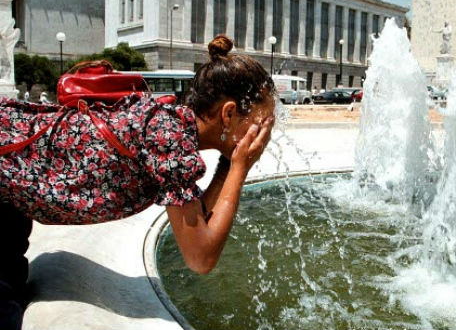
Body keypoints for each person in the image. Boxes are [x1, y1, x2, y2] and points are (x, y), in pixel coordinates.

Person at [0, 35, 275, 329]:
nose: (264, 133)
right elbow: (200, 257)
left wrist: (228, 165)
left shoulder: (171, 127)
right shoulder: (169, 136)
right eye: (262, 122)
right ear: (229, 113)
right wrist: (240, 167)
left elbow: (197, 222)